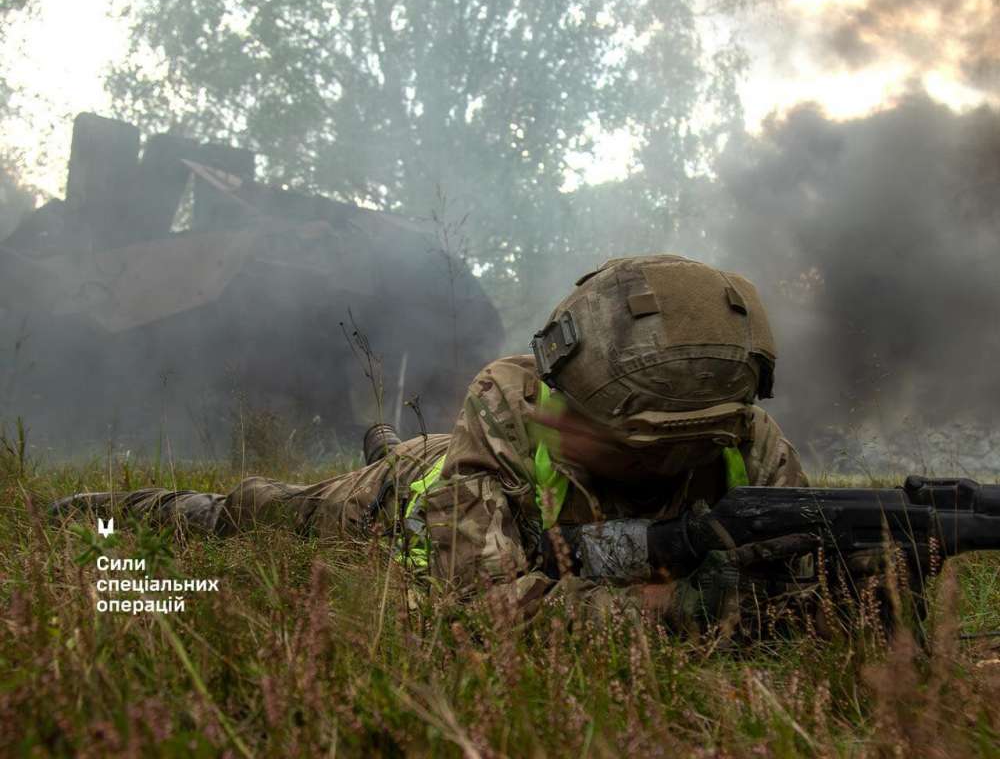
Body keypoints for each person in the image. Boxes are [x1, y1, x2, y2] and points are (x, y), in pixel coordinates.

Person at [50, 254, 815, 634]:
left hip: (465, 477)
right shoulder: (513, 404)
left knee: (398, 444)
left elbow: (816, 590)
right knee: (255, 510)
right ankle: (112, 506)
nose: (556, 415)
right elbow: (480, 610)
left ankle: (383, 438)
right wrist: (671, 606)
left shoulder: (745, 441)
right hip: (417, 493)